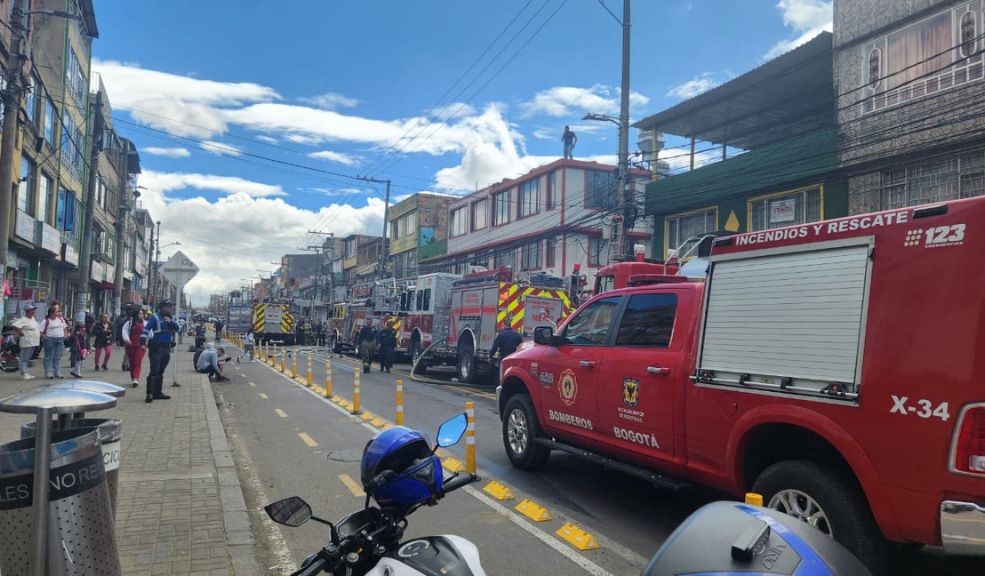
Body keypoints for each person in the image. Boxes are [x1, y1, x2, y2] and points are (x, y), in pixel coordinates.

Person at [140, 300, 181, 403]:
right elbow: (146, 330)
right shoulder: (155, 317)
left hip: (166, 348)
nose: (170, 309)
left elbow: (178, 329)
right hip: (156, 348)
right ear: (162, 307)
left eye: (171, 306)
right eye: (168, 307)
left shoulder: (172, 318)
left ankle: (158, 392)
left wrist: (171, 322)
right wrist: (142, 343)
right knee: (154, 370)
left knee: (161, 370)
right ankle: (149, 393)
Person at [40, 301, 69, 379]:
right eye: (56, 312)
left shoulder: (60, 319)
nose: (58, 313)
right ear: (51, 313)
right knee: (49, 356)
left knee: (57, 356)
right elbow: (40, 331)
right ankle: (49, 372)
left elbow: (64, 327)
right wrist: (44, 336)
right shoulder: (45, 321)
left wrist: (65, 334)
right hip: (50, 340)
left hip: (60, 339)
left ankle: (57, 372)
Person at [11, 304, 40, 380]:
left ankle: (26, 372)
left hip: (33, 342)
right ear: (27, 311)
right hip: (27, 341)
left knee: (27, 358)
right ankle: (23, 373)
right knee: (23, 358)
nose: (33, 311)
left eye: (33, 310)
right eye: (31, 310)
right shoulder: (23, 319)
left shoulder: (33, 318)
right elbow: (14, 326)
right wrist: (19, 332)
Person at [122, 308, 146, 388]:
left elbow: (150, 333)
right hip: (130, 346)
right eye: (139, 313)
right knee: (131, 363)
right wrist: (127, 340)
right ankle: (133, 378)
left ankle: (136, 378)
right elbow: (124, 332)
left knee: (137, 362)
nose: (141, 315)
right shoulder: (129, 323)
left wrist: (146, 342)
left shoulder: (146, 324)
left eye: (142, 313)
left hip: (141, 346)